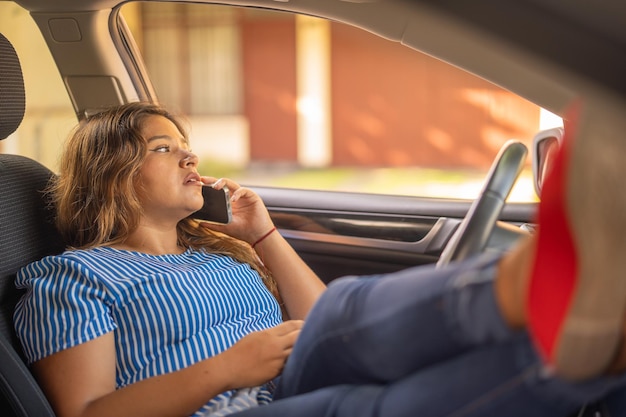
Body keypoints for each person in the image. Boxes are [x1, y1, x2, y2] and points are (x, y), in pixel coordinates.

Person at [13, 100, 626, 417]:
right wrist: (228, 367)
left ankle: (546, 286)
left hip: (291, 375)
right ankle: (580, 345)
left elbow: (326, 320)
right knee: (360, 409)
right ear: (112, 174)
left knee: (344, 312)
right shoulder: (73, 277)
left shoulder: (216, 254)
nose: (189, 159)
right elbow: (86, 413)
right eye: (164, 148)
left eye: (188, 147)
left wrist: (264, 236)